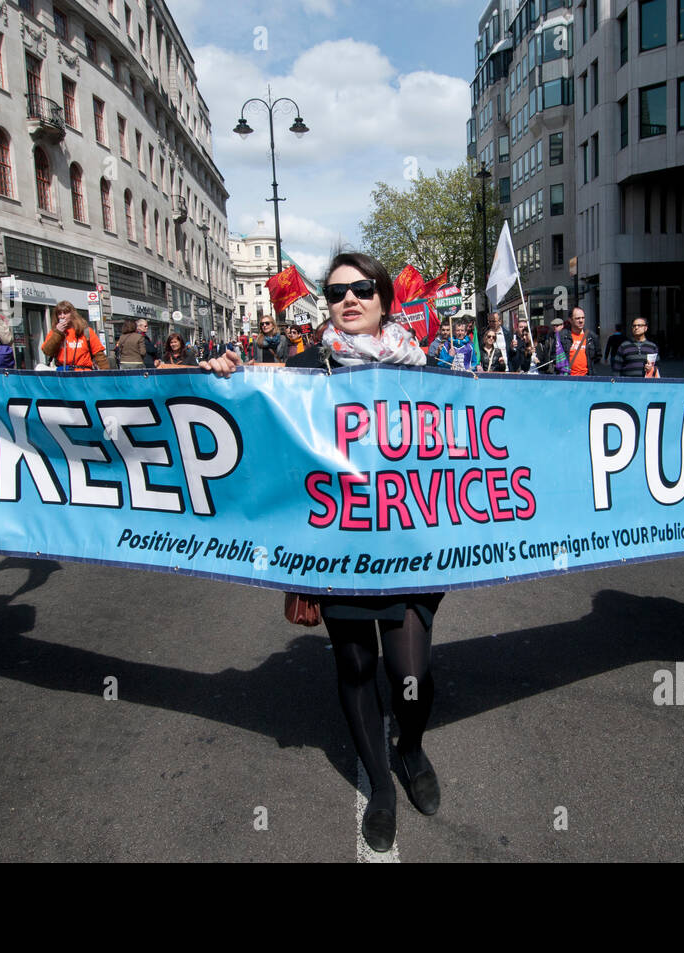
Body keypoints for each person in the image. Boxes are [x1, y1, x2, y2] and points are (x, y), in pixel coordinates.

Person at [201, 252, 443, 854]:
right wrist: (224, 374)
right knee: (357, 667)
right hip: (336, 553)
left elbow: (503, 424)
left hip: (415, 549)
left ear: (385, 298)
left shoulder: (427, 369)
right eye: (337, 293)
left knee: (408, 670)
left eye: (362, 289)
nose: (349, 300)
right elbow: (252, 421)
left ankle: (410, 749)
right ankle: (381, 788)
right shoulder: (303, 367)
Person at [42, 301, 107, 370]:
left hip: (83, 373)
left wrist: (106, 374)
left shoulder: (86, 331)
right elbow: (47, 351)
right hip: (63, 372)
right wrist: (58, 333)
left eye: (65, 313)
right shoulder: (54, 332)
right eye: (59, 314)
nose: (62, 316)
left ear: (72, 314)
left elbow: (99, 354)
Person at [550, 307, 598, 376]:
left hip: (587, 377)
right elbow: (554, 356)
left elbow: (597, 356)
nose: (581, 320)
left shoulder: (591, 336)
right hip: (567, 377)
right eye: (577, 318)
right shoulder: (562, 336)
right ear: (570, 320)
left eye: (583, 318)